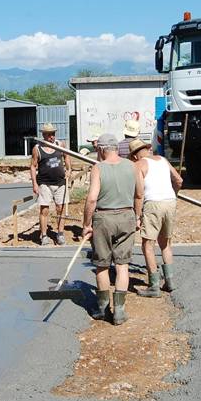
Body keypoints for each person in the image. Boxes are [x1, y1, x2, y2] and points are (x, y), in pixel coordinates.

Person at [82, 133, 143, 325]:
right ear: (116, 148)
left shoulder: (98, 168)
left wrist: (86, 224)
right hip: (127, 216)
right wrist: (138, 217)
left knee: (102, 265)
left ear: (100, 149)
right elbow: (139, 194)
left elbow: (92, 198)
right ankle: (119, 310)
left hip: (104, 218)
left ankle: (102, 308)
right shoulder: (132, 166)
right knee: (122, 265)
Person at [128, 139, 183, 297]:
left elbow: (139, 194)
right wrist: (173, 195)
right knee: (165, 243)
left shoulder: (139, 165)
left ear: (134, 156)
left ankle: (154, 285)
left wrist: (137, 216)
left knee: (148, 245)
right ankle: (170, 281)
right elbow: (179, 180)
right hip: (170, 202)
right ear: (147, 148)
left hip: (153, 204)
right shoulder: (163, 160)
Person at [31, 123, 71, 245]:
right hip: (45, 183)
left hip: (60, 183)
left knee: (61, 208)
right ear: (43, 135)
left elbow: (67, 156)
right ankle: (44, 235)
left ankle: (60, 234)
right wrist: (34, 184)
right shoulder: (37, 148)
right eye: (49, 135)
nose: (52, 137)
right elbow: (33, 166)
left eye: (53, 134)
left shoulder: (60, 145)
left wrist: (69, 169)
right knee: (44, 210)